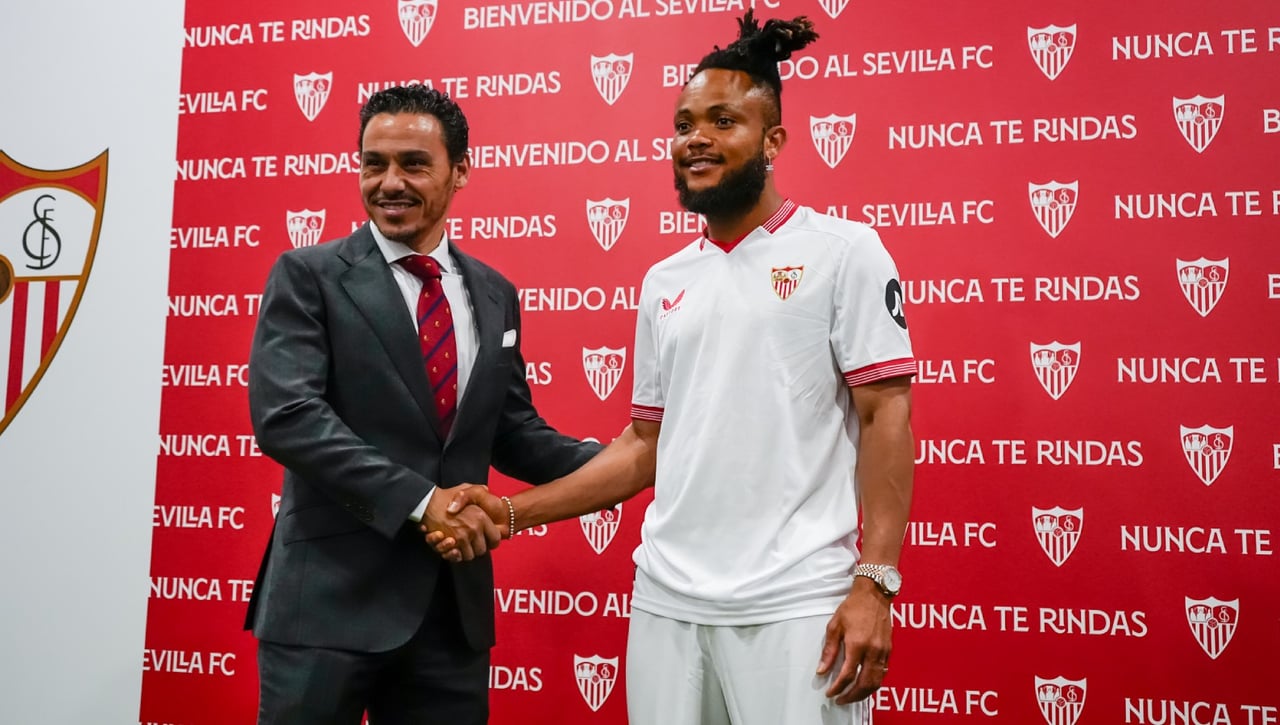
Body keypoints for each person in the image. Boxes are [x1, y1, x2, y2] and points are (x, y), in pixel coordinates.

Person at [434, 11, 915, 725]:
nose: (696, 138)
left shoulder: (845, 252)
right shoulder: (665, 280)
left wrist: (874, 583)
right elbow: (645, 445)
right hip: (666, 600)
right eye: (685, 123)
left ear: (774, 140)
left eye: (724, 121)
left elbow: (886, 416)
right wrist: (510, 511)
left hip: (795, 604)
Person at [244, 84, 601, 725]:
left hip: (450, 614)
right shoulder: (307, 274)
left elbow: (511, 431)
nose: (390, 183)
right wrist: (422, 500)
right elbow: (288, 418)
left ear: (460, 170)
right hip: (326, 605)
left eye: (413, 164)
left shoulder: (494, 292)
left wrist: (616, 461)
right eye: (373, 163)